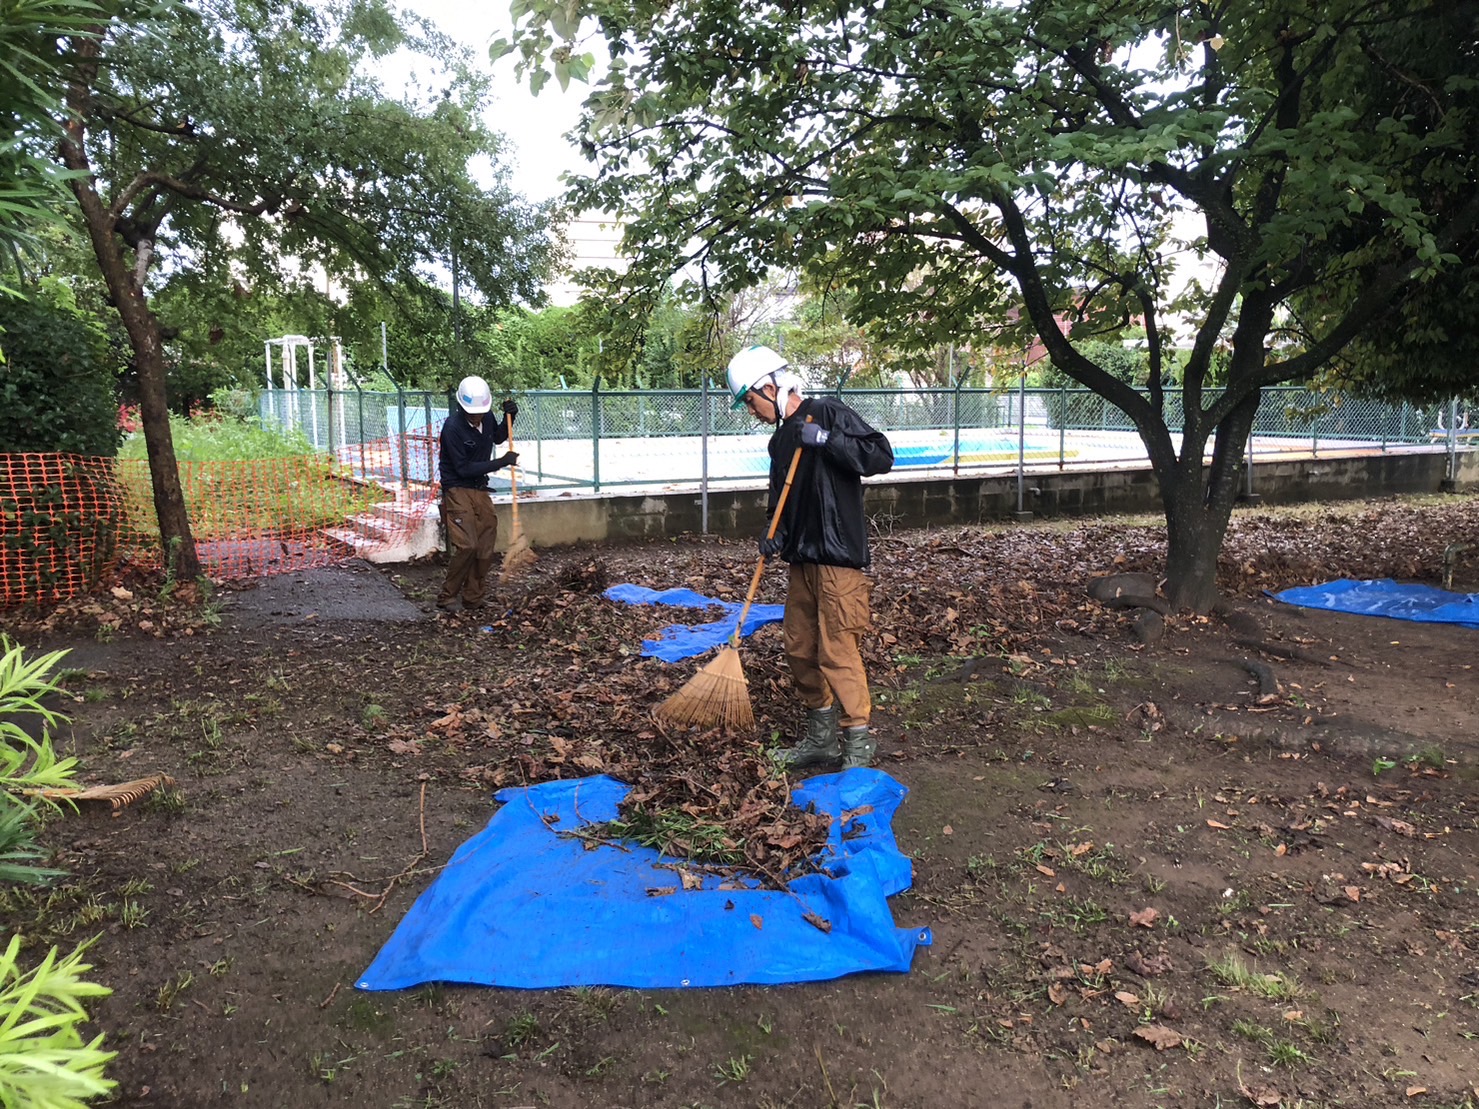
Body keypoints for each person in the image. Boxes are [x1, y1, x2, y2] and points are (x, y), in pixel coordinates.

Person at [727, 344, 894, 770]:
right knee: (800, 648)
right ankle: (820, 738)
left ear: (770, 386)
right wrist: (774, 533)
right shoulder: (779, 442)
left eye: (750, 400)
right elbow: (780, 502)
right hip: (801, 561)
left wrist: (825, 439)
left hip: (839, 560)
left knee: (838, 651)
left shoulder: (828, 412)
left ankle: (857, 743)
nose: (752, 410)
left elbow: (879, 456)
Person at [437, 376, 519, 613]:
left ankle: (473, 597)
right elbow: (462, 468)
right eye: (472, 412)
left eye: (480, 412)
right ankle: (447, 596)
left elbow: (498, 436)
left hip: (480, 487)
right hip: (457, 487)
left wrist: (510, 417)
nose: (477, 416)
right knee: (467, 545)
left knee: (485, 543)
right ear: (461, 407)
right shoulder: (452, 428)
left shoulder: (487, 416)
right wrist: (501, 462)